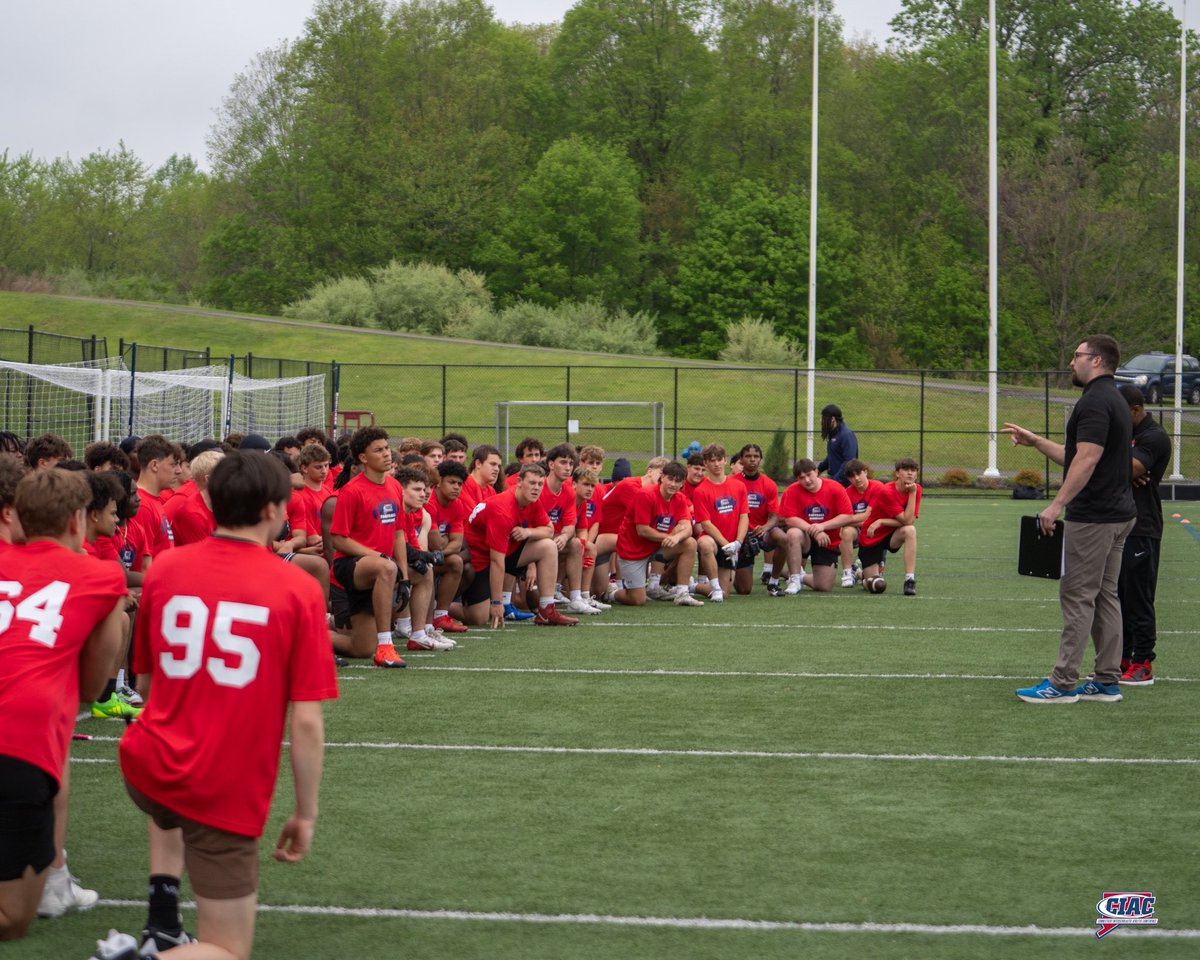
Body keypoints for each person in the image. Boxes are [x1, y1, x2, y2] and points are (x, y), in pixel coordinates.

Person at [98, 450, 337, 960]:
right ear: (275, 511)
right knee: (227, 950)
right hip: (218, 778)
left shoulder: (167, 567)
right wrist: (307, 811)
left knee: (170, 799)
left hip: (148, 760)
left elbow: (145, 677)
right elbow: (308, 722)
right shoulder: (295, 587)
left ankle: (162, 916)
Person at [0, 469, 125, 941]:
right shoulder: (99, 575)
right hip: (20, 745)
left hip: (19, 742)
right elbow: (93, 689)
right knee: (15, 919)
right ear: (78, 519)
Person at [1004, 335, 1136, 704]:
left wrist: (1056, 503)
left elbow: (1088, 458)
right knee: (1105, 596)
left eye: (1077, 356)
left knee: (1078, 596)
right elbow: (1076, 454)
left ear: (1096, 360)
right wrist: (1036, 442)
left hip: (1095, 517)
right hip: (1119, 515)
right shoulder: (1115, 399)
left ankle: (1062, 683)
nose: (1071, 362)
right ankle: (1108, 680)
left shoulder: (1095, 401)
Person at [328, 427, 410, 668]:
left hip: (379, 567)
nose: (387, 454)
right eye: (378, 450)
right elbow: (338, 539)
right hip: (349, 566)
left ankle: (306, 636)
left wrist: (404, 577)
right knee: (385, 568)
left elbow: (398, 534)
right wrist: (379, 557)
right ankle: (386, 647)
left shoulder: (395, 486)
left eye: (386, 448)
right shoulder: (352, 491)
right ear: (363, 458)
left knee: (361, 648)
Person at [462, 463, 579, 628]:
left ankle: (546, 610)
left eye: (540, 484)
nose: (536, 488)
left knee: (548, 546)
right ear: (519, 482)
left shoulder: (532, 500)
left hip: (505, 552)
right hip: (481, 557)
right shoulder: (502, 509)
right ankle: (441, 611)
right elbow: (496, 561)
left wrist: (528, 532)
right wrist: (496, 603)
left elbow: (549, 530)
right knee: (478, 618)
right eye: (532, 483)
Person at [1115, 385, 1172, 686]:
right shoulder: (1123, 436)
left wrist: (1126, 467)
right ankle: (1121, 658)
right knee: (1116, 598)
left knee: (1138, 597)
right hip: (1118, 524)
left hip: (1143, 527)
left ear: (1135, 409)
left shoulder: (1154, 436)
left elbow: (1130, 468)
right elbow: (1122, 468)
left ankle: (1143, 662)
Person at [610, 461, 702, 607]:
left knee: (690, 543)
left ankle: (682, 593)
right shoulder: (645, 494)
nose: (672, 484)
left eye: (677, 481)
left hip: (656, 546)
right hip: (633, 549)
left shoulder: (679, 498)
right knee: (637, 600)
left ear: (683, 483)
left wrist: (676, 537)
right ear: (662, 477)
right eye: (670, 479)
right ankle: (610, 593)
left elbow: (687, 528)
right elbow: (642, 530)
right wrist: (669, 536)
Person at [778, 459, 856, 593]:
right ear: (797, 479)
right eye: (802, 478)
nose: (807, 480)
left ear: (816, 472)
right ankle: (794, 579)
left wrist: (823, 526)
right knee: (793, 533)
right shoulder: (791, 491)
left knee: (823, 586)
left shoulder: (835, 488)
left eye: (809, 475)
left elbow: (847, 516)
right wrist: (814, 530)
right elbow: (789, 519)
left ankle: (801, 577)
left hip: (827, 540)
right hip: (805, 537)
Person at [856, 458, 922, 596]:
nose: (910, 473)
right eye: (906, 470)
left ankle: (910, 580)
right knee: (877, 586)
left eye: (913, 470)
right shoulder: (887, 491)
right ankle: (862, 575)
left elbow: (908, 522)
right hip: (871, 538)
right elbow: (905, 519)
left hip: (891, 534)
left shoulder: (916, 489)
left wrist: (882, 521)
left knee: (910, 530)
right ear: (897, 473)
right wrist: (880, 522)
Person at [817, 405, 858, 485]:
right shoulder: (833, 434)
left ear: (832, 419)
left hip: (844, 484)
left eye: (823, 417)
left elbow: (849, 461)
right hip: (835, 481)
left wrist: (836, 480)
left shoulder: (846, 435)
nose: (820, 420)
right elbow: (832, 456)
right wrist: (819, 470)